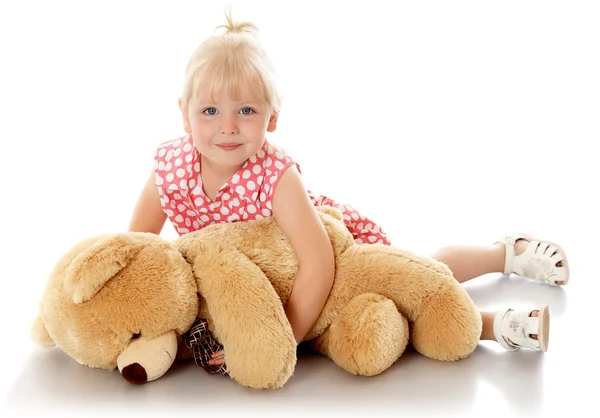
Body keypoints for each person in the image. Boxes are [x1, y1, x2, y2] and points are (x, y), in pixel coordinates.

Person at [128, 11, 570, 368]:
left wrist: (285, 340)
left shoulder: (276, 175)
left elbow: (318, 265)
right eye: (210, 110)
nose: (227, 126)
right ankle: (498, 284)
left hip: (327, 262)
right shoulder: (171, 169)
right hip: (263, 287)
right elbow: (140, 250)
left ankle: (503, 276)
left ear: (272, 118)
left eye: (246, 110)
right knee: (388, 318)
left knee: (412, 279)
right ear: (185, 116)